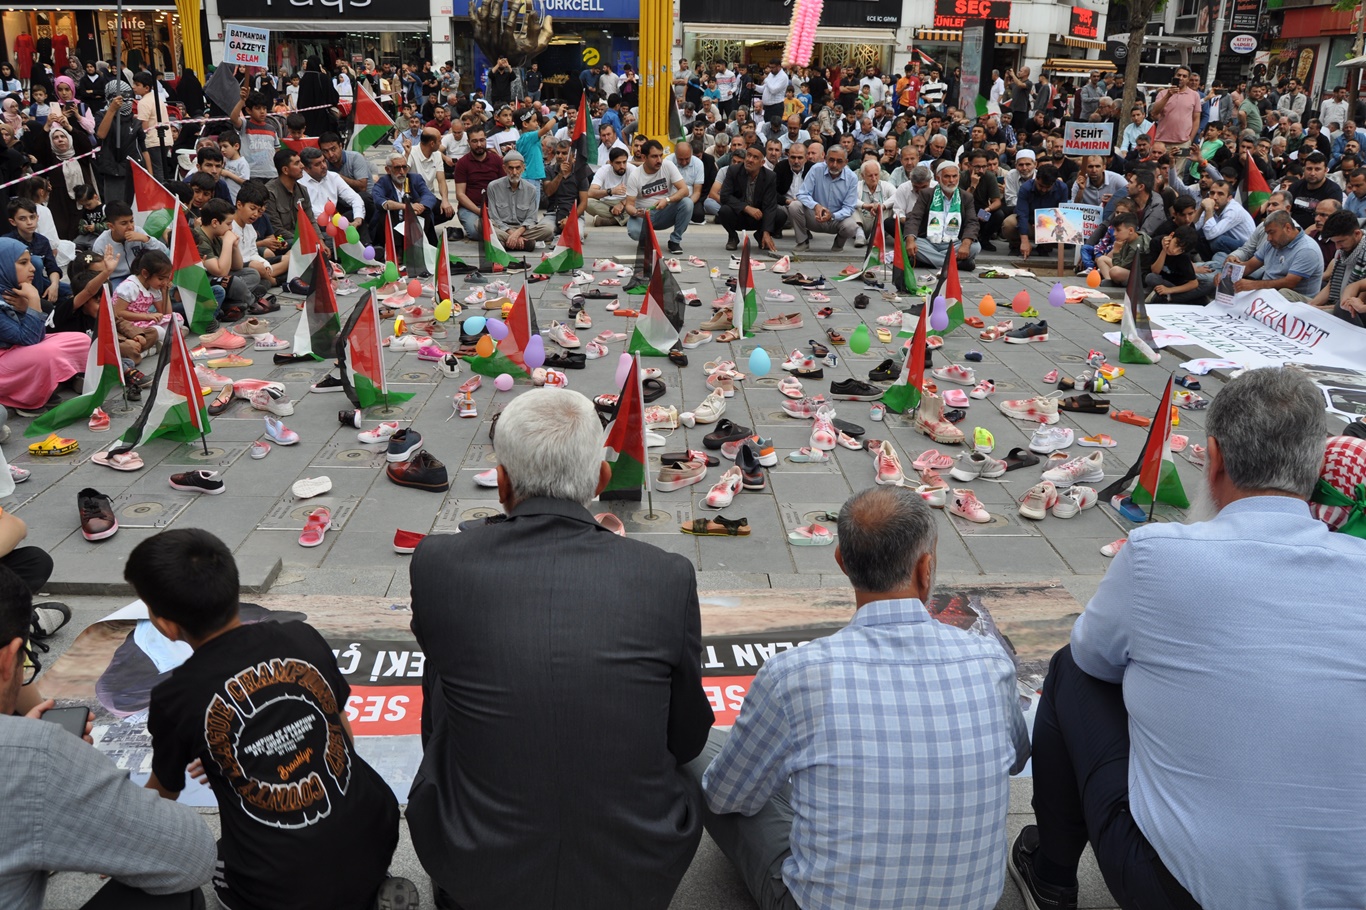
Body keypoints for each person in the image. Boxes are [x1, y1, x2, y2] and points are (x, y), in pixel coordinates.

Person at [1012, 367, 1366, 910]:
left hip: (1183, 891)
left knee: (1070, 670)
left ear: (1215, 458)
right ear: (1316, 463)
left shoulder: (1160, 554)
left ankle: (1053, 874)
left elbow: (1093, 658)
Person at [407, 388, 713, 909]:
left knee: (449, 667)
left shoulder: (438, 563)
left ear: (501, 483)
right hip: (635, 874)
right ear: (600, 480)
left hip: (476, 866)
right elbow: (685, 737)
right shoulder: (665, 576)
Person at [693, 485, 1029, 909]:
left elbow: (726, 797)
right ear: (926, 569)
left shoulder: (794, 674)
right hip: (973, 901)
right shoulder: (989, 659)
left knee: (706, 751)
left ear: (841, 562)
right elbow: (1016, 757)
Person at [130, 528, 412, 910]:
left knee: (215, 862)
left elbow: (162, 794)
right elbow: (341, 731)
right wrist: (229, 754)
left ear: (163, 624)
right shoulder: (300, 636)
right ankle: (367, 890)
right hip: (375, 828)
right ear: (233, 587)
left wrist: (118, 841)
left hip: (278, 884)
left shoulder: (174, 698)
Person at [0, 562, 219, 910]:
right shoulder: (31, 757)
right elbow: (191, 856)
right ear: (8, 660)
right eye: (27, 663)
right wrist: (50, 758)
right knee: (174, 894)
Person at [0, 237, 90, 413]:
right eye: (24, 263)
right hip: (4, 362)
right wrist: (33, 300)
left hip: (20, 351)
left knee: (81, 340)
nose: (33, 268)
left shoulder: (14, 291)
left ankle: (50, 384)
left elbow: (40, 333)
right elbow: (31, 339)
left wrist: (27, 307)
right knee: (46, 353)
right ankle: (24, 398)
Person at [903, 160, 980, 270]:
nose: (951, 180)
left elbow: (972, 222)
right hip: (928, 242)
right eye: (947, 177)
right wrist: (910, 240)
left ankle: (929, 262)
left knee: (975, 247)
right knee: (909, 243)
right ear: (938, 179)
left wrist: (966, 244)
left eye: (954, 176)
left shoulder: (966, 197)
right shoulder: (927, 194)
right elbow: (914, 217)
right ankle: (954, 264)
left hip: (954, 242)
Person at [1232, 209, 1325, 299]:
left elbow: (1289, 283)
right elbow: (1249, 266)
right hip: (1266, 294)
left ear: (1288, 228)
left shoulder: (1307, 249)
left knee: (1283, 293)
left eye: (1271, 232)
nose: (1268, 238)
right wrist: (1227, 273)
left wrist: (1253, 285)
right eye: (1267, 233)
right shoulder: (1272, 243)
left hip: (1294, 302)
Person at [625, 139, 693, 253]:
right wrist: (636, 212)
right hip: (644, 215)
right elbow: (629, 205)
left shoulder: (668, 165)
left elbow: (684, 190)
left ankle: (675, 241)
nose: (659, 160)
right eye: (654, 156)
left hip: (665, 212)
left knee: (687, 203)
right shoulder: (635, 176)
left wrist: (667, 200)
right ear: (644, 157)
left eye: (661, 156)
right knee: (634, 231)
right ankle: (648, 240)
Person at [788, 144, 859, 252]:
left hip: (836, 219)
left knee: (851, 226)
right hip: (815, 217)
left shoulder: (852, 178)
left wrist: (832, 215)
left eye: (839, 161)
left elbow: (849, 208)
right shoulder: (816, 169)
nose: (834, 165)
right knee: (794, 206)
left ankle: (838, 244)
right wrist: (816, 206)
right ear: (825, 159)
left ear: (846, 162)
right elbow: (802, 194)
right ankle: (802, 241)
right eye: (831, 160)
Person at [716, 145, 785, 253]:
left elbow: (770, 206)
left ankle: (761, 235)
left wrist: (767, 232)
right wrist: (746, 207)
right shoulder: (734, 170)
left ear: (762, 163)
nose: (750, 160)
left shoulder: (770, 176)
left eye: (755, 157)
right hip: (739, 214)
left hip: (759, 216)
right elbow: (725, 196)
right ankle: (733, 237)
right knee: (724, 210)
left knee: (780, 215)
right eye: (748, 155)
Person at [484, 150, 553, 252]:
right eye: (511, 168)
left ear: (523, 168)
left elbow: (531, 218)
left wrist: (517, 233)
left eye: (518, 168)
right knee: (480, 224)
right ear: (504, 168)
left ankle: (504, 243)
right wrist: (512, 234)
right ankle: (523, 243)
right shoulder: (493, 186)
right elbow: (494, 217)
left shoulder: (531, 189)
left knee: (548, 229)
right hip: (501, 227)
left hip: (523, 229)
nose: (514, 172)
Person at [370, 153, 439, 248]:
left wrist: (419, 207)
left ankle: (418, 247)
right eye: (397, 168)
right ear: (388, 170)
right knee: (387, 211)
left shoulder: (415, 179)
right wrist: (408, 207)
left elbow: (429, 196)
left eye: (404, 167)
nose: (402, 172)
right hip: (392, 225)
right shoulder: (383, 182)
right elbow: (381, 202)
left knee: (423, 205)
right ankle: (396, 250)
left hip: (412, 223)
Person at [453, 123, 503, 240]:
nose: (479, 145)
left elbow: (504, 187)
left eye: (482, 140)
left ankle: (499, 233)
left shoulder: (496, 160)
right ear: (468, 142)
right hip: (470, 208)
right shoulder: (462, 163)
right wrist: (480, 211)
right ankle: (499, 234)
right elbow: (460, 194)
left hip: (495, 207)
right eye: (475, 141)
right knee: (476, 233)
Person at [1149, 66, 1201, 152]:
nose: (1181, 78)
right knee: (1160, 165)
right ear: (1174, 77)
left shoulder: (1195, 95)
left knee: (1179, 166)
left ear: (1188, 79)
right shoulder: (1163, 93)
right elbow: (1154, 113)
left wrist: (1190, 140)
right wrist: (1168, 95)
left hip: (1183, 142)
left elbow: (1196, 119)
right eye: (1179, 75)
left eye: (1184, 76)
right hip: (1162, 141)